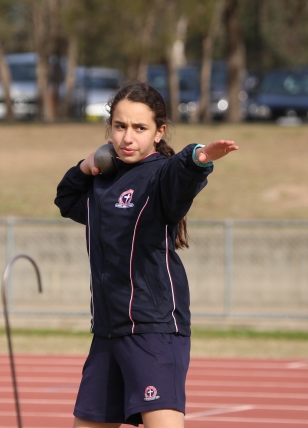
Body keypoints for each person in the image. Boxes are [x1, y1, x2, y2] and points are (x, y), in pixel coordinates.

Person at [55, 81, 238, 428]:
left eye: (140, 128)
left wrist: (198, 158)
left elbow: (180, 175)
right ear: (108, 128)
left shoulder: (159, 175)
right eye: (120, 126)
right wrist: (86, 165)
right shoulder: (101, 183)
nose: (128, 137)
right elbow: (67, 200)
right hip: (108, 332)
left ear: (159, 132)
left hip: (152, 331)